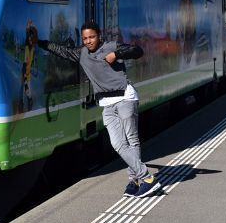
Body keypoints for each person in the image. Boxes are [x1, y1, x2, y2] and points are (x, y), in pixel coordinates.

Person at [38, 21, 162, 198]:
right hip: (106, 103)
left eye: (92, 37)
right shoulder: (82, 54)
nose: (88, 41)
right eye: (85, 38)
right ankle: (145, 178)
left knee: (131, 140)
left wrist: (117, 54)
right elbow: (62, 51)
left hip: (125, 98)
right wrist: (40, 43)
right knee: (118, 144)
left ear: (99, 36)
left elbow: (137, 51)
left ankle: (138, 180)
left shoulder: (111, 47)